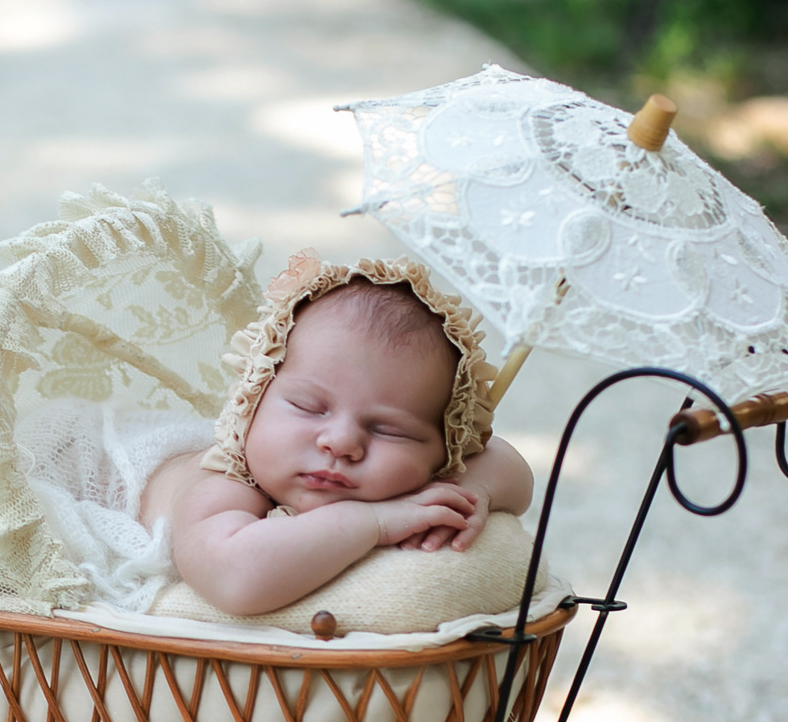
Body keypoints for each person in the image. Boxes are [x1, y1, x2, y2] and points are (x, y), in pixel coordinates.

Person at [137, 253, 533, 618]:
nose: (341, 442)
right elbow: (234, 580)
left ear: (445, 450)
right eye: (308, 407)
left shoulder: (427, 465)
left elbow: (509, 465)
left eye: (389, 430)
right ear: (252, 397)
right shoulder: (225, 483)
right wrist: (372, 521)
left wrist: (472, 491)